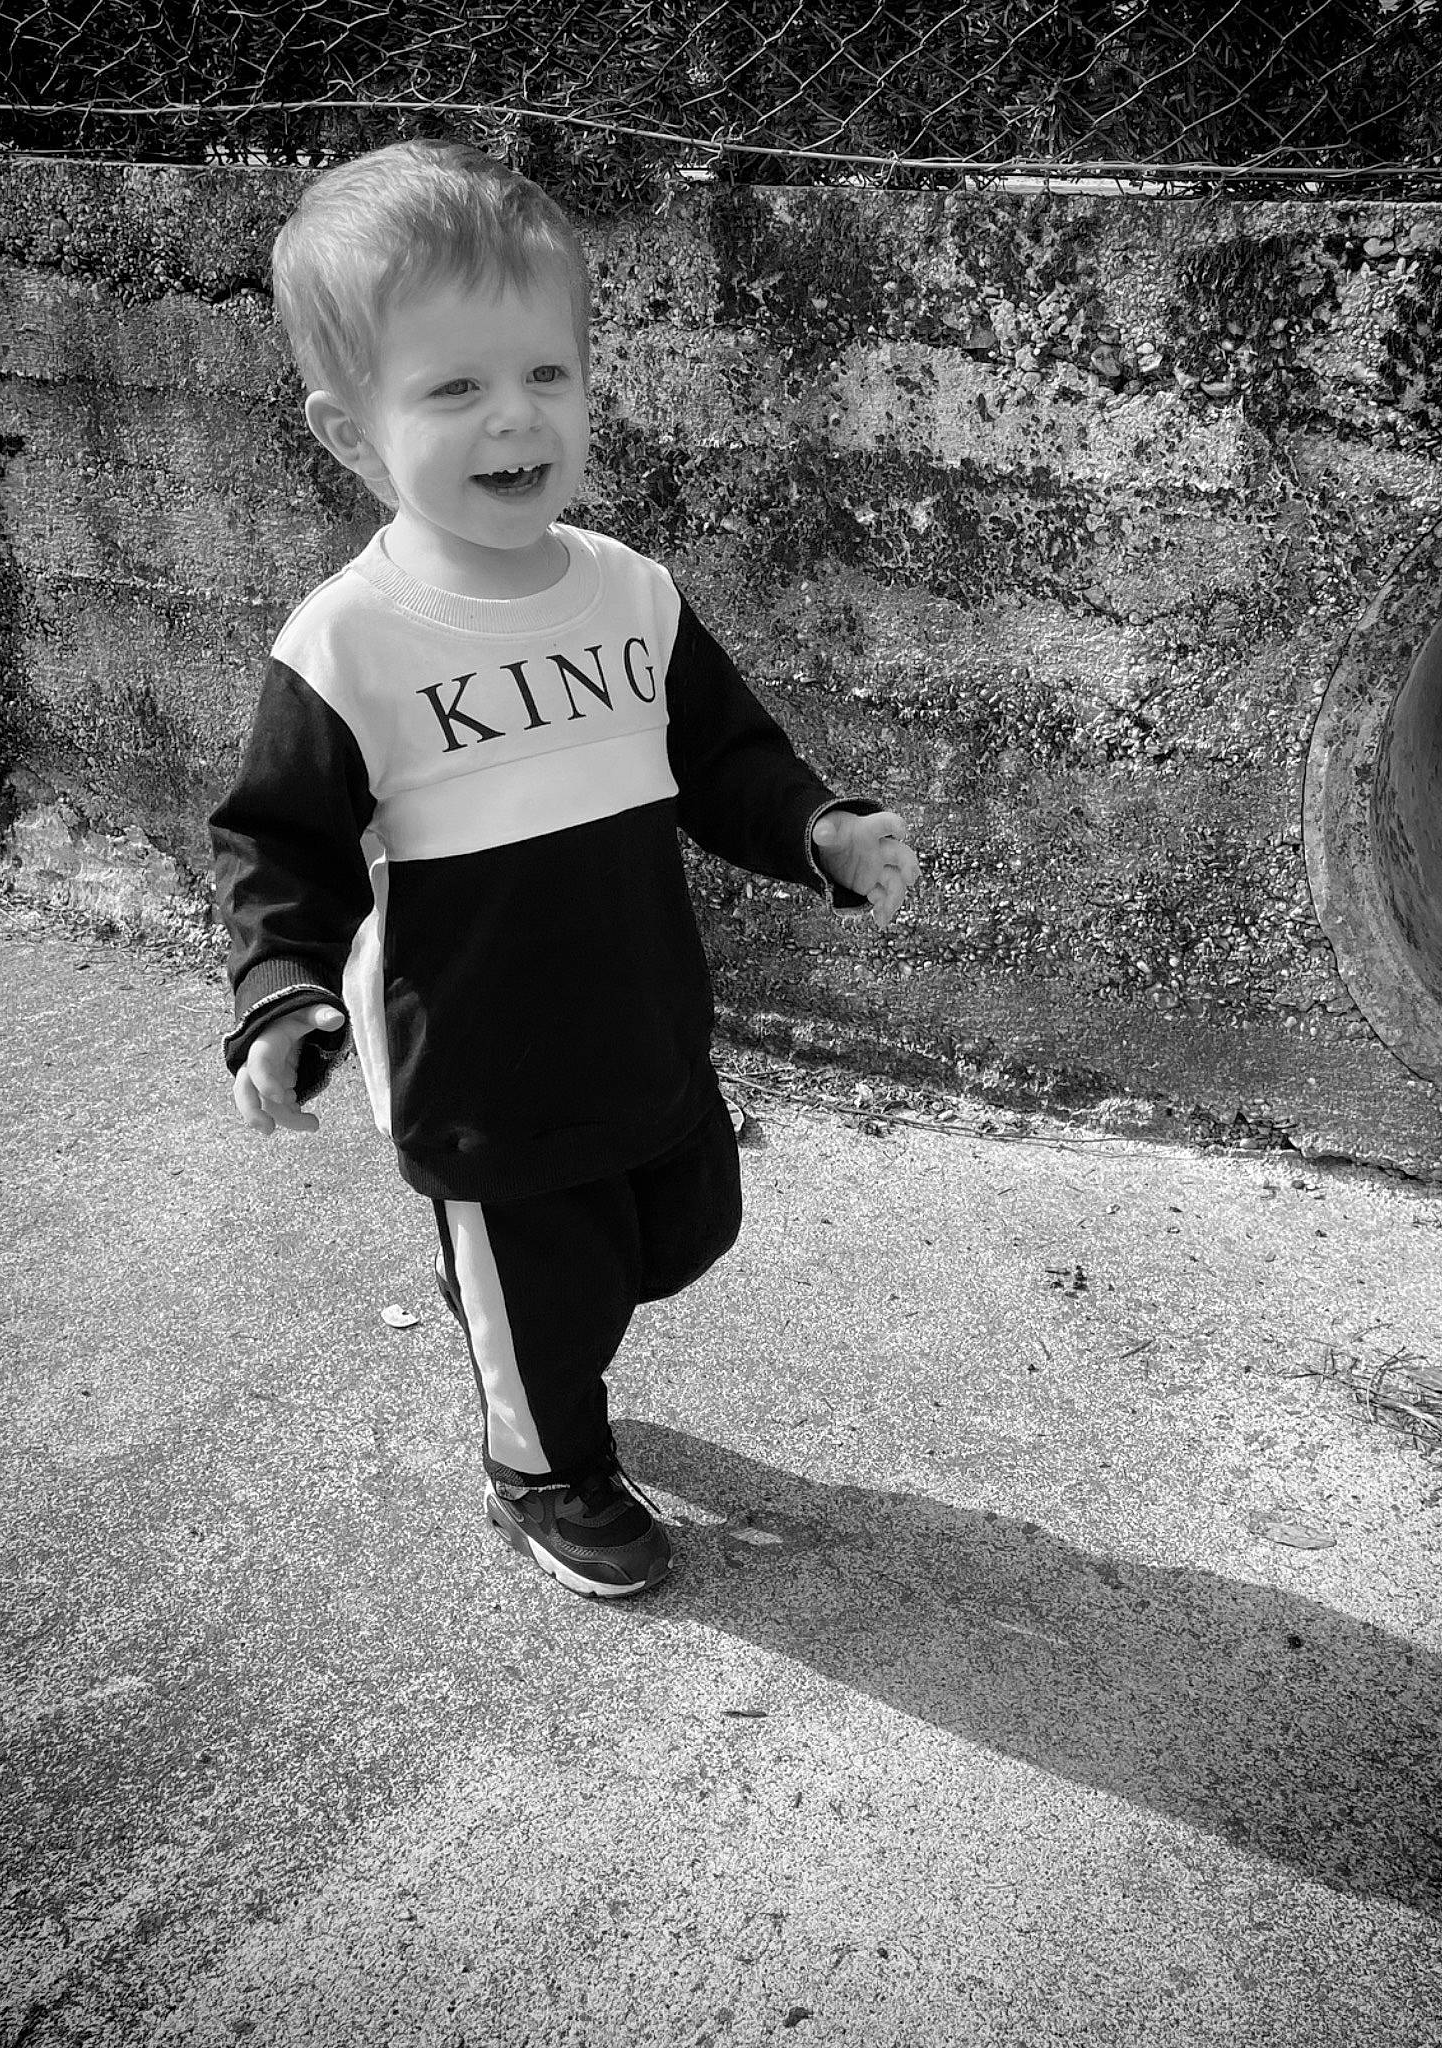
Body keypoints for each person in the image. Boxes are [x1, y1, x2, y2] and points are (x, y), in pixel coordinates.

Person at [209, 139, 919, 1601]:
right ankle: (542, 1469)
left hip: (642, 1018)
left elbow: (727, 757)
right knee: (549, 1298)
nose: (512, 417)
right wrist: (280, 991)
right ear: (352, 435)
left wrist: (817, 831)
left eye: (545, 374)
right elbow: (275, 842)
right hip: (477, 1060)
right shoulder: (348, 642)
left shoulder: (629, 595)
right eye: (454, 389)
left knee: (678, 1233)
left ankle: (507, 1307)